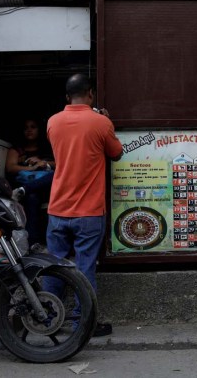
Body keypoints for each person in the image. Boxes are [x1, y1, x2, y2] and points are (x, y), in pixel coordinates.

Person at [46, 74, 123, 337]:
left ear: (67, 97)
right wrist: (106, 121)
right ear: (90, 94)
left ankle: (47, 317)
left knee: (54, 265)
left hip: (57, 209)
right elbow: (116, 153)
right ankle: (84, 323)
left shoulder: (52, 122)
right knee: (85, 267)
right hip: (89, 212)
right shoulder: (100, 122)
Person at [5, 118, 55, 250]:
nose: (29, 130)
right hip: (28, 190)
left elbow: (61, 165)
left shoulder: (47, 148)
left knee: (56, 175)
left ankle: (25, 189)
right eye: (26, 127)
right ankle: (33, 243)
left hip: (44, 189)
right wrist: (32, 168)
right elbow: (10, 167)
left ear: (39, 130)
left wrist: (43, 163)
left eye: (33, 127)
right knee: (32, 198)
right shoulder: (17, 149)